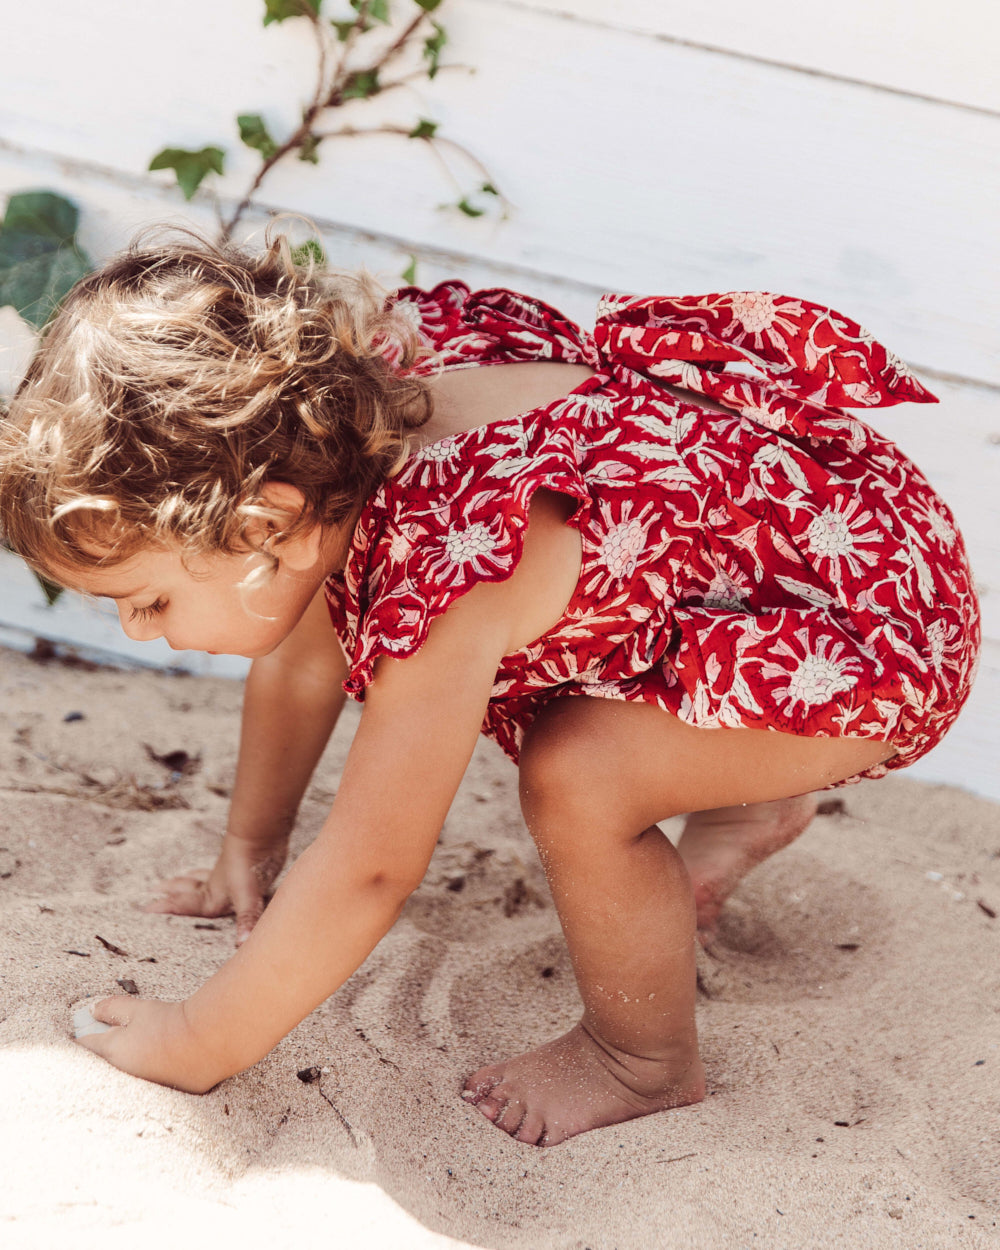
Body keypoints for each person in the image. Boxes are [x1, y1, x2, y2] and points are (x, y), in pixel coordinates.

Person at [0, 233, 980, 1148]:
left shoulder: (453, 549)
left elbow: (372, 866)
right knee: (592, 729)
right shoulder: (335, 456)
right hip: (770, 576)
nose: (137, 625)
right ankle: (752, 792)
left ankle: (638, 1058)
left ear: (270, 528)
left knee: (579, 774)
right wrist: (250, 847)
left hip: (868, 626)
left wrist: (197, 1038)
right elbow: (304, 656)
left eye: (151, 596)